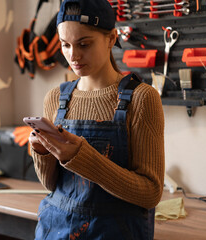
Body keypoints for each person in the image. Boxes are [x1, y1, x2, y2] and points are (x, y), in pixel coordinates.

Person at [28, 0, 165, 239]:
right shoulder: (56, 98)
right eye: (65, 45)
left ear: (111, 38)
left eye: (84, 44)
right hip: (56, 229)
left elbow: (150, 194)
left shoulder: (142, 99)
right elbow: (51, 186)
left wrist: (81, 157)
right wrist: (42, 151)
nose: (73, 55)